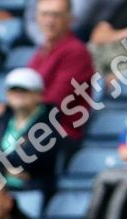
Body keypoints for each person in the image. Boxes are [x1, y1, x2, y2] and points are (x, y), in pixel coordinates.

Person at [0, 68, 59, 199]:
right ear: (7, 94)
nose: (18, 94)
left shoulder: (49, 124)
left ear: (39, 95)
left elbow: (28, 161)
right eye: (13, 90)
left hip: (29, 190)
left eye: (25, 90)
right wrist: (5, 171)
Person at [27, 0, 94, 145]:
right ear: (36, 18)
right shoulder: (42, 51)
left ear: (70, 19)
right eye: (44, 14)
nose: (49, 21)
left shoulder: (76, 51)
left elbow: (54, 101)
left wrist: (19, 103)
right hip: (34, 129)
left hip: (57, 133)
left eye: (56, 15)